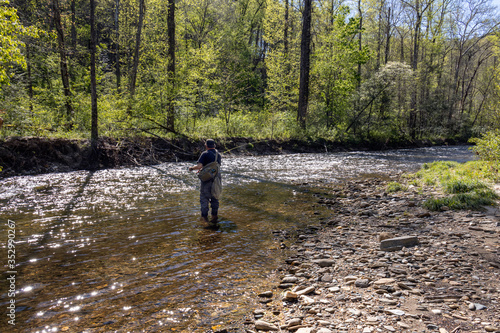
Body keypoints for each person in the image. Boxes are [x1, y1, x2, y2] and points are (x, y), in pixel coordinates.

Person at [188, 139, 222, 224]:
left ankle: (205, 219)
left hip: (206, 180)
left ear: (206, 146)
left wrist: (192, 168)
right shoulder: (219, 155)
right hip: (216, 179)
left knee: (204, 198)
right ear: (214, 146)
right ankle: (214, 217)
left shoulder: (205, 154)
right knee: (215, 197)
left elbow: (199, 166)